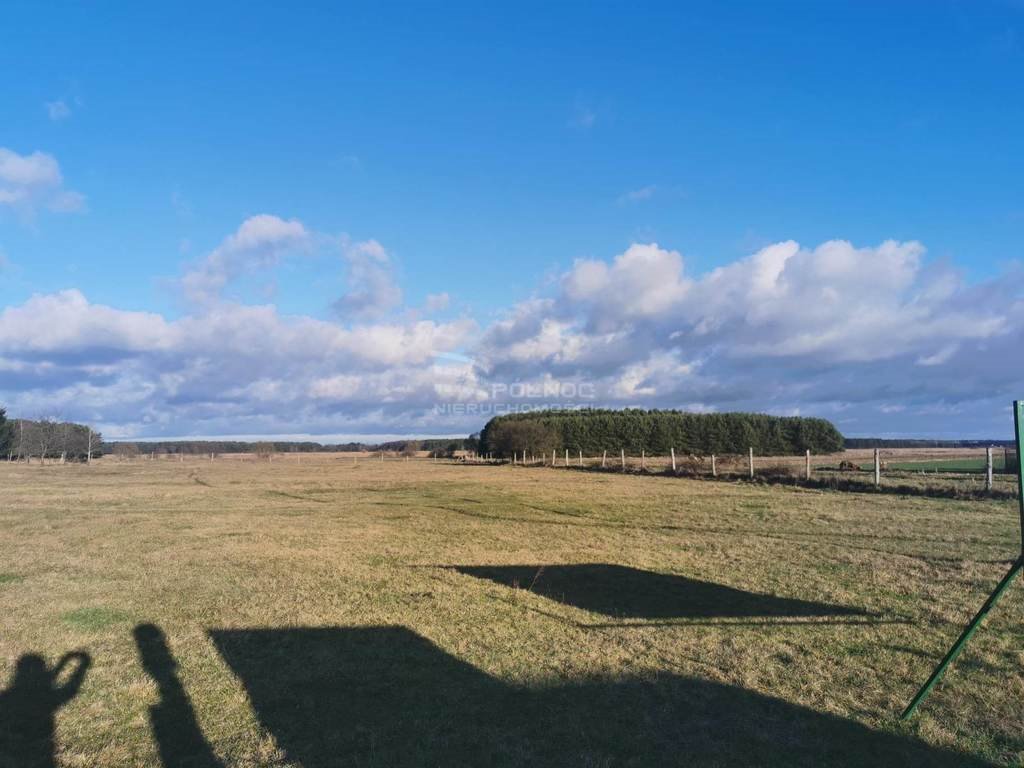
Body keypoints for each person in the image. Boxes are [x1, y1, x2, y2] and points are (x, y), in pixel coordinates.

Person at [0, 651, 90, 767]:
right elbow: (71, 689)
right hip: (41, 760)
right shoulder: (46, 698)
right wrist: (80, 664)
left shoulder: (5, 699)